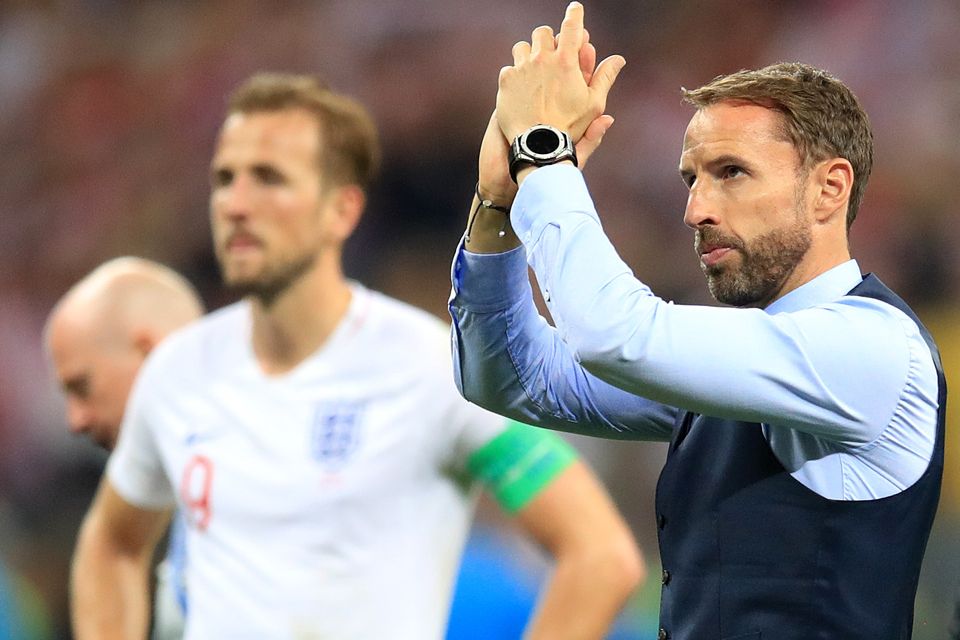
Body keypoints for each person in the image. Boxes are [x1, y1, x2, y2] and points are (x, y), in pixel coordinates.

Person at [69, 73, 643, 640]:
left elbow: (600, 557)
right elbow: (112, 544)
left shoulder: (431, 368)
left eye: (268, 179)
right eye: (225, 179)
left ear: (341, 210)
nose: (237, 204)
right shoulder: (178, 371)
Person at [448, 3, 944, 640]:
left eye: (731, 173)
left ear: (830, 188)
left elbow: (615, 335)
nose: (696, 209)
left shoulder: (873, 348)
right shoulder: (739, 365)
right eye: (691, 179)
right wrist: (498, 203)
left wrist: (545, 156)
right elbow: (511, 378)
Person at [45, 257, 204, 640]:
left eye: (82, 387)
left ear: (153, 353)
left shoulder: (268, 442)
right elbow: (111, 544)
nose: (75, 421)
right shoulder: (185, 479)